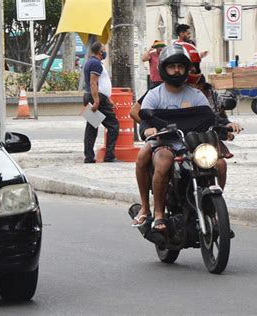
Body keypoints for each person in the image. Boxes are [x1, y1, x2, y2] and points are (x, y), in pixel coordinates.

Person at [131, 43, 241, 229]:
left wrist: (227, 126)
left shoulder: (197, 95)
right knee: (163, 161)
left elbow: (211, 119)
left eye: (180, 66)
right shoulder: (154, 95)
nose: (176, 70)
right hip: (164, 143)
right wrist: (148, 129)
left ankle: (213, 208)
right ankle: (156, 213)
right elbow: (143, 118)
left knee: (220, 164)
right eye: (172, 66)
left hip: (192, 144)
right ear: (164, 68)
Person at [82, 42, 119, 163]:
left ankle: (89, 157)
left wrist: (109, 99)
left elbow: (100, 84)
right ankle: (109, 156)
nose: (105, 52)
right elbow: (93, 83)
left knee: (92, 127)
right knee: (113, 126)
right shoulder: (95, 63)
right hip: (97, 98)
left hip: (95, 97)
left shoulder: (91, 62)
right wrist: (97, 100)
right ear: (99, 51)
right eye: (103, 50)